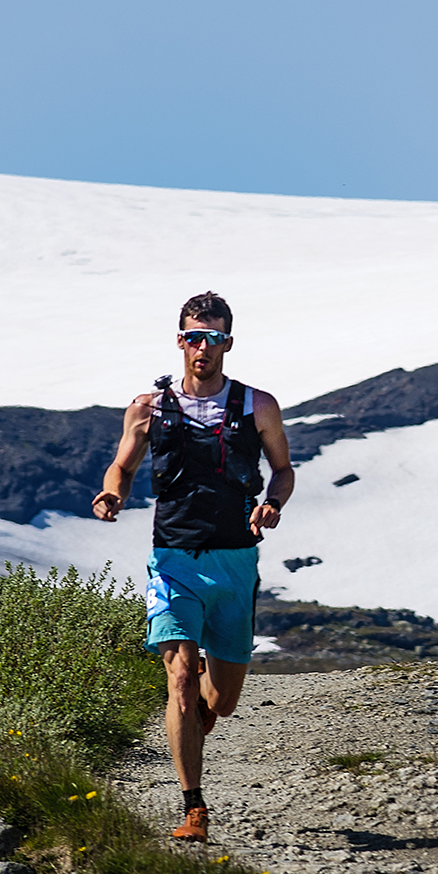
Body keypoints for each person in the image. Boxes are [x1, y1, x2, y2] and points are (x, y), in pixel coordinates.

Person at [92, 291, 293, 843]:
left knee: (222, 702)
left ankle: (200, 720)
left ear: (229, 343)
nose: (203, 347)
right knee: (179, 677)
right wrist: (112, 494)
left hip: (234, 560)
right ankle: (194, 809)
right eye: (193, 337)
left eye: (214, 338)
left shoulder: (258, 405)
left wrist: (272, 502)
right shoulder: (148, 407)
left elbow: (282, 469)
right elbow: (122, 465)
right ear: (179, 341)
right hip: (173, 557)